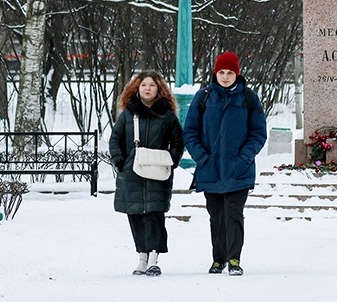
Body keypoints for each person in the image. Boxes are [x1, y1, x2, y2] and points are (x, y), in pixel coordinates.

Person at [183, 51, 267, 276]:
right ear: (215, 73)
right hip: (210, 168)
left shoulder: (248, 98)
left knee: (234, 214)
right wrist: (202, 157)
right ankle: (218, 259)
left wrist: (244, 158)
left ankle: (234, 258)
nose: (226, 77)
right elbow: (190, 132)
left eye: (230, 72)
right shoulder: (204, 97)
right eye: (222, 72)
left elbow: (258, 133)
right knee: (216, 216)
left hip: (238, 169)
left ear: (237, 74)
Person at [108, 70, 184, 276]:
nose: (147, 88)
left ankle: (153, 258)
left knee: (154, 215)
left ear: (159, 89)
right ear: (137, 89)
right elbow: (115, 140)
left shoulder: (167, 116)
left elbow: (178, 140)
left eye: (152, 85)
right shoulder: (128, 115)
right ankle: (141, 256)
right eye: (144, 85)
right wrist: (120, 162)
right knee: (136, 216)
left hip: (158, 173)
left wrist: (172, 161)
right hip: (131, 174)